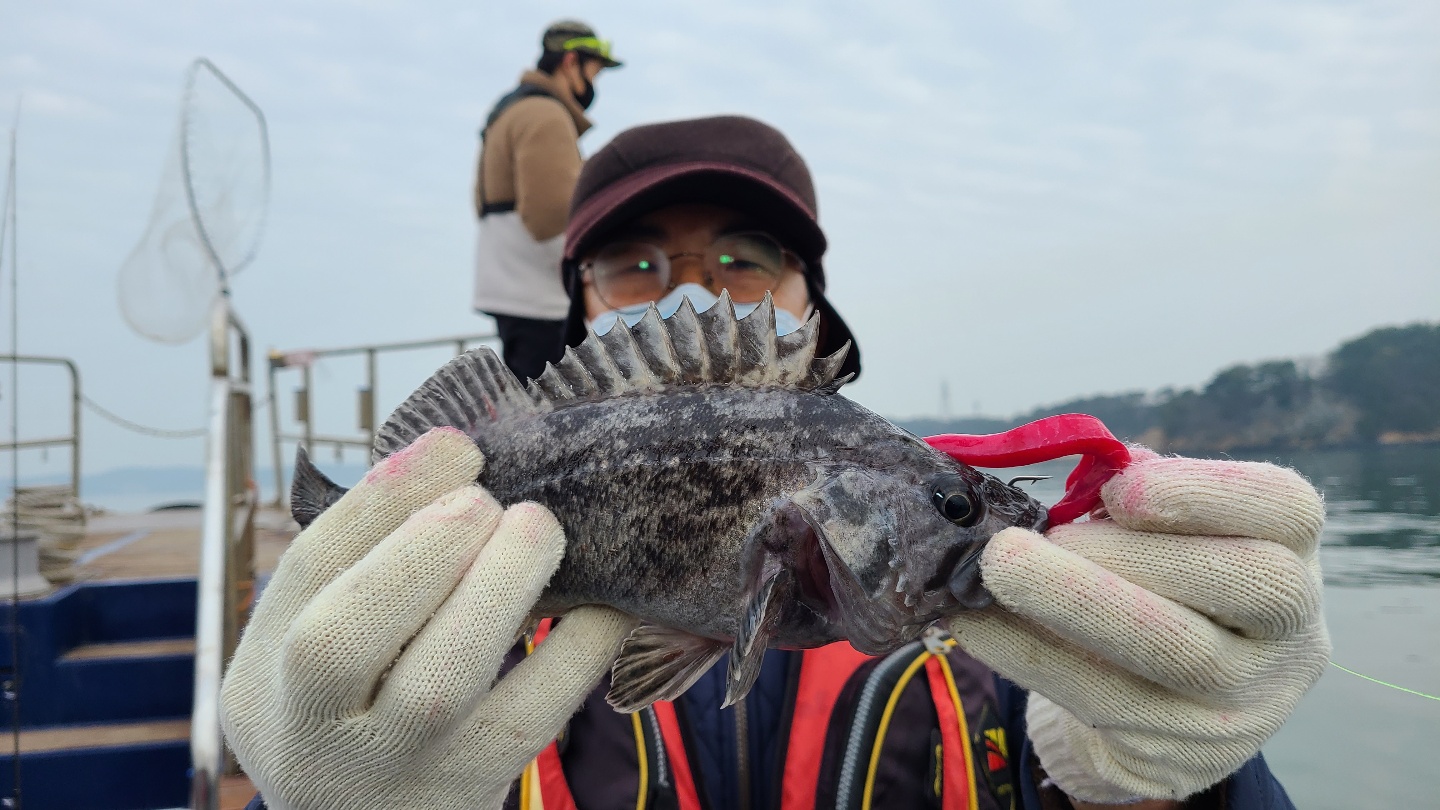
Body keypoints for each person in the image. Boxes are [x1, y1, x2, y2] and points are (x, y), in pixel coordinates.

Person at [222, 116, 1330, 810]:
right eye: (634, 264)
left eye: (746, 256)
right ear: (580, 312)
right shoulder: (438, 646)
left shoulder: (1016, 669)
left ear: (812, 308)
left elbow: (1140, 764)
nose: (691, 289)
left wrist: (1171, 775)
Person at [472, 20, 622, 381]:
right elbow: (549, 218)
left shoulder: (510, 110)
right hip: (542, 300)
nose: (595, 83)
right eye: (595, 71)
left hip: (511, 291)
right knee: (559, 405)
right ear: (571, 62)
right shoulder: (545, 114)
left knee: (529, 402)